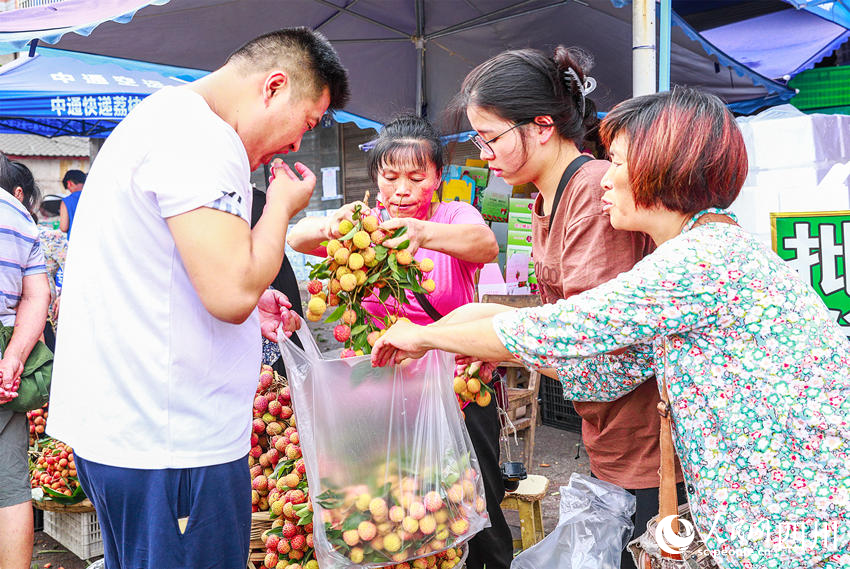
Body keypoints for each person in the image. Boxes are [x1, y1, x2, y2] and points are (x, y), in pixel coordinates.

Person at [372, 87, 850, 568]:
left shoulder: (700, 260)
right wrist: (486, 335)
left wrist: (425, 336)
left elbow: (564, 329)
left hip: (793, 522)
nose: (605, 179)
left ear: (662, 168)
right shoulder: (700, 252)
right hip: (763, 515)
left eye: (616, 162)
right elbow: (608, 371)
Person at [47, 28, 349, 569]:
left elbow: (171, 268)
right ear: (273, 87)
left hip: (138, 436)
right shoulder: (202, 138)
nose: (296, 145)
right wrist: (281, 206)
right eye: (305, 123)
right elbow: (230, 292)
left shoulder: (164, 119)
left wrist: (254, 302)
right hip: (170, 446)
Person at [450, 46, 679, 567]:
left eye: (491, 137)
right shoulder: (541, 200)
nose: (483, 153)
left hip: (647, 446)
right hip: (607, 438)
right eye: (477, 139)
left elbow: (594, 349)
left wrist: (498, 345)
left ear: (542, 125)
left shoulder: (594, 195)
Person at [287, 114, 510, 569]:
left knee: (472, 490)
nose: (402, 190)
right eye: (390, 178)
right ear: (376, 179)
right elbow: (297, 235)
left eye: (416, 177)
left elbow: (485, 244)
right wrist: (337, 226)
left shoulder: (453, 216)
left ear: (437, 177)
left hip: (456, 387)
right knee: (396, 497)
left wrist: (422, 233)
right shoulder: (366, 226)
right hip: (381, 388)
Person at [0, 153, 51, 569]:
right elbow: (37, 295)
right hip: (5, 356)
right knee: (10, 488)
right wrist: (14, 357)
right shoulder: (19, 217)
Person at [7, 161, 65, 350]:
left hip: (35, 320)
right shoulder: (35, 233)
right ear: (19, 194)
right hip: (28, 322)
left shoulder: (44, 236)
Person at [58, 169, 85, 238]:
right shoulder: (95, 197)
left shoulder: (66, 201)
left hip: (75, 241)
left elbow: (64, 228)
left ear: (69, 183)